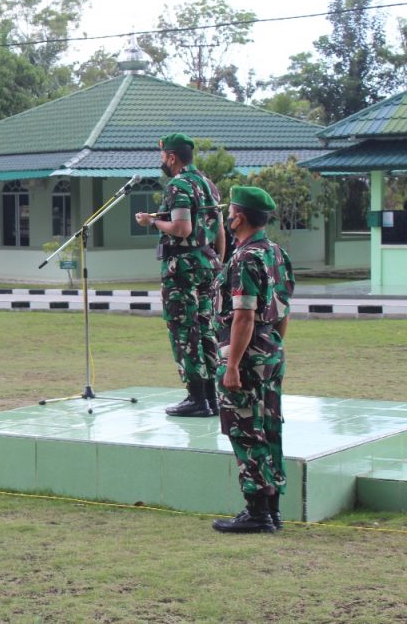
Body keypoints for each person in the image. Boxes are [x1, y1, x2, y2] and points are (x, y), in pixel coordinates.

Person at [211, 186, 294, 534]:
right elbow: (283, 310)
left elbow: (243, 316)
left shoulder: (245, 259)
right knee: (269, 428)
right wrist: (270, 346)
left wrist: (233, 365)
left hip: (244, 355)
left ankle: (257, 512)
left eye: (230, 211)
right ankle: (271, 510)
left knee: (246, 431)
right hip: (269, 352)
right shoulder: (276, 252)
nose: (227, 216)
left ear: (240, 217)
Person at [134, 133, 225, 418]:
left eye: (162, 156)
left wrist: (152, 221)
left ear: (172, 157)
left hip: (182, 269)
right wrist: (218, 262)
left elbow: (182, 228)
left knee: (184, 330)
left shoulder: (178, 185)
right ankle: (211, 397)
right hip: (207, 263)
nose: (161, 161)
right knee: (206, 329)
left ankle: (196, 398)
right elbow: (220, 229)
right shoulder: (207, 185)